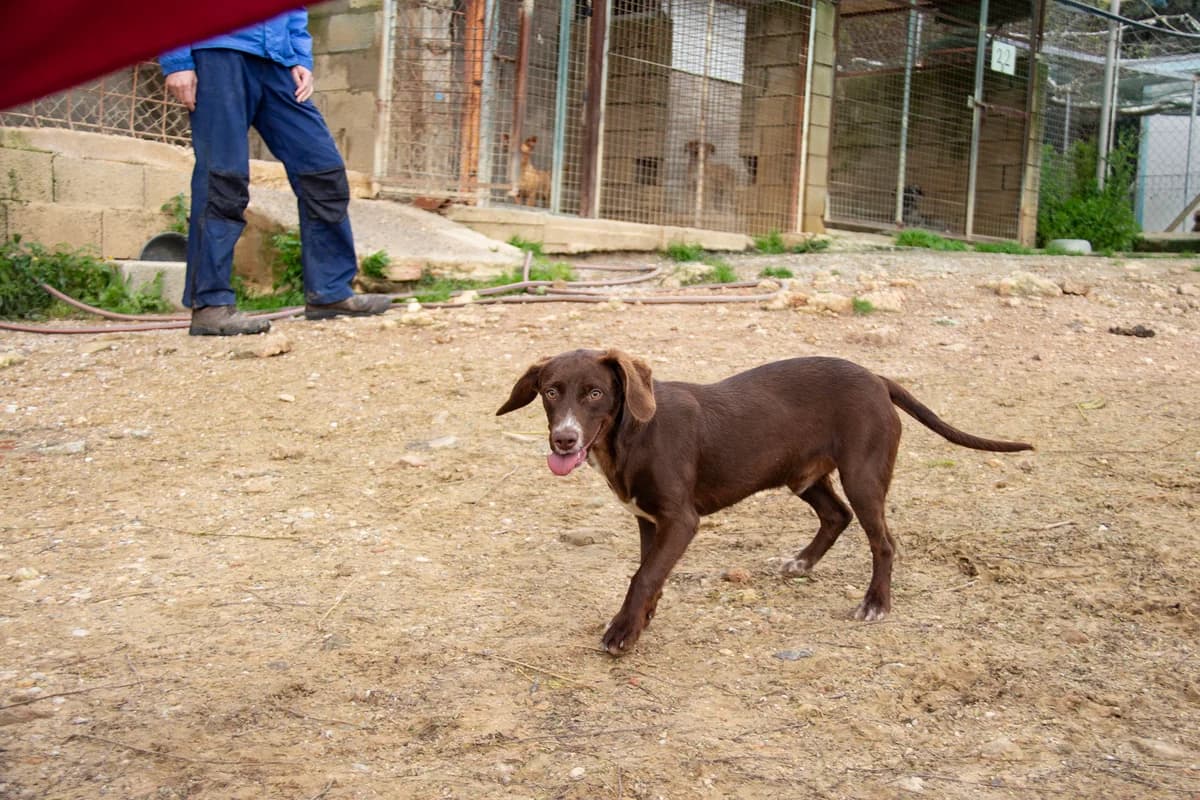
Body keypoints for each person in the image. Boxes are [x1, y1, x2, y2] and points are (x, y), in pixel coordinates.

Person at [160, 8, 391, 335]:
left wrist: (300, 57)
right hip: (218, 49)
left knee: (322, 171)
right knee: (223, 177)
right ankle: (210, 304)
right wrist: (177, 59)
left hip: (278, 59)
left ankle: (330, 292)